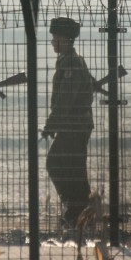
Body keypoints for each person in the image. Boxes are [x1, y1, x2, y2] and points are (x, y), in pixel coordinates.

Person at [42, 17, 94, 230]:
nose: (53, 42)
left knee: (57, 164)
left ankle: (75, 210)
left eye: (55, 38)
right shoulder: (70, 60)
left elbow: (66, 99)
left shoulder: (71, 62)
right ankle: (79, 212)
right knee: (74, 169)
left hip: (73, 125)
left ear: (65, 39)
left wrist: (51, 125)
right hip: (73, 125)